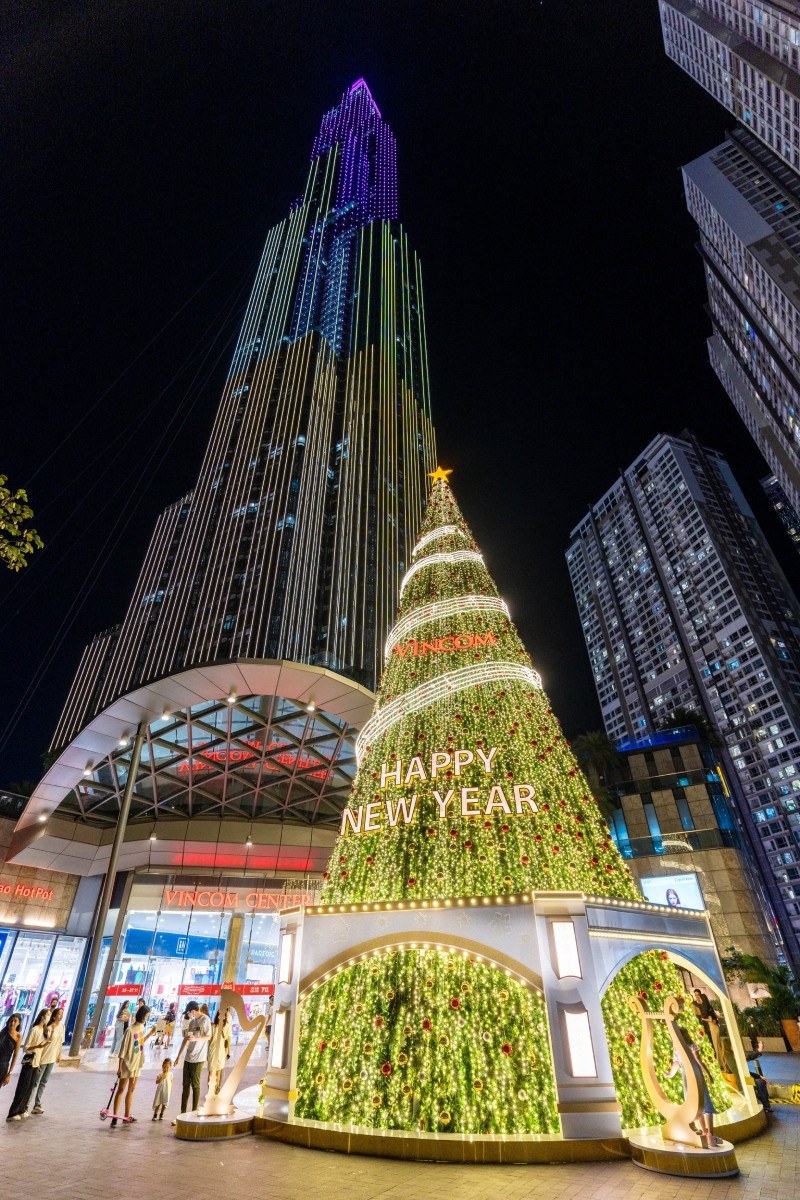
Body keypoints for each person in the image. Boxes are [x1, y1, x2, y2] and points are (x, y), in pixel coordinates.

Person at [111, 1003, 155, 1127]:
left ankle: (127, 1115)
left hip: (137, 1063)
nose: (147, 1018)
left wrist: (150, 1034)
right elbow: (123, 1049)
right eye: (146, 1016)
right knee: (121, 1089)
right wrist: (119, 1067)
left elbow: (140, 1042)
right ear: (142, 1015)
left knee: (131, 1089)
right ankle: (115, 1116)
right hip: (127, 1063)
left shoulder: (141, 1028)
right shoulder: (129, 1030)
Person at [6, 1009, 49, 1120]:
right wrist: (37, 1046)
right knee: (23, 1087)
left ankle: (22, 1109)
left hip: (36, 1063)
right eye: (47, 1015)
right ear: (42, 1017)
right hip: (29, 1062)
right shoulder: (34, 1030)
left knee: (30, 1087)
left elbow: (42, 1049)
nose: (49, 1017)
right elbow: (26, 1048)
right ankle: (13, 1112)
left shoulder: (45, 1031)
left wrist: (39, 1062)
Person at [172, 1000, 212, 1122]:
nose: (188, 1015)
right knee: (185, 1086)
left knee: (195, 1085)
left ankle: (194, 1112)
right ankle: (182, 1113)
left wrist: (197, 1038)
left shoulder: (205, 1019)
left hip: (198, 1058)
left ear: (193, 1011)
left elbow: (209, 1036)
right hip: (188, 1057)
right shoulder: (192, 1022)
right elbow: (186, 1039)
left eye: (188, 1012)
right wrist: (179, 1056)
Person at [32, 1007, 64, 1113]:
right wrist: (39, 1059)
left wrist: (59, 1054)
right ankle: (26, 1105)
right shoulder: (48, 1028)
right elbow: (45, 1043)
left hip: (52, 1058)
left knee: (44, 1082)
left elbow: (60, 1042)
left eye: (62, 1014)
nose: (61, 1016)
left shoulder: (62, 1027)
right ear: (54, 1016)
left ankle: (37, 1104)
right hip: (44, 1057)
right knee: (36, 1082)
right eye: (59, 1014)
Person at [692, 988, 723, 1066]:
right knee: (713, 1044)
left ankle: (720, 1062)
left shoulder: (706, 1007)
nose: (697, 997)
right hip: (708, 1027)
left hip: (712, 1027)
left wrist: (704, 1018)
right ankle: (718, 1062)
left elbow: (711, 1018)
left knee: (716, 1045)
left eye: (698, 995)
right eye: (696, 995)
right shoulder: (698, 1005)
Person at [207, 1007, 232, 1095]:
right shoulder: (227, 1027)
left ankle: (211, 1092)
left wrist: (208, 1052)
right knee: (217, 1073)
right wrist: (228, 1052)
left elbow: (210, 1041)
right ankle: (214, 1092)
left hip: (213, 1051)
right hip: (220, 1052)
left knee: (212, 1073)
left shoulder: (213, 1027)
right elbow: (228, 1040)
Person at [0, 1012, 22, 1086]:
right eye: (11, 1021)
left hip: (3, 1067)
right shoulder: (2, 1034)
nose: (12, 1023)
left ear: (18, 1023)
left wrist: (9, 1073)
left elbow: (15, 1056)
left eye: (15, 1021)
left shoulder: (18, 1036)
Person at [152, 1056, 173, 1121]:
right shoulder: (160, 1075)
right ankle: (155, 1114)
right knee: (158, 1102)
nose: (165, 1069)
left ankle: (161, 1113)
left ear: (170, 1067)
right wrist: (161, 1078)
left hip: (167, 1091)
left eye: (167, 1067)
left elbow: (171, 1081)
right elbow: (156, 1082)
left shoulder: (171, 1074)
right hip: (160, 1091)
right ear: (162, 1066)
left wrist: (171, 1089)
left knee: (165, 1103)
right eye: (164, 1067)